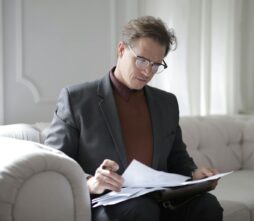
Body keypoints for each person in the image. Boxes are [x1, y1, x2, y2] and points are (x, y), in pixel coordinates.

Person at [45, 16, 223, 221]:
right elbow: (56, 165)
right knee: (141, 210)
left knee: (207, 205)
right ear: (121, 50)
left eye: (156, 65)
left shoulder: (166, 103)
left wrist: (194, 176)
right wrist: (91, 182)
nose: (148, 71)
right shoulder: (76, 99)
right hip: (110, 203)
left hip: (160, 198)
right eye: (141, 60)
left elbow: (177, 158)